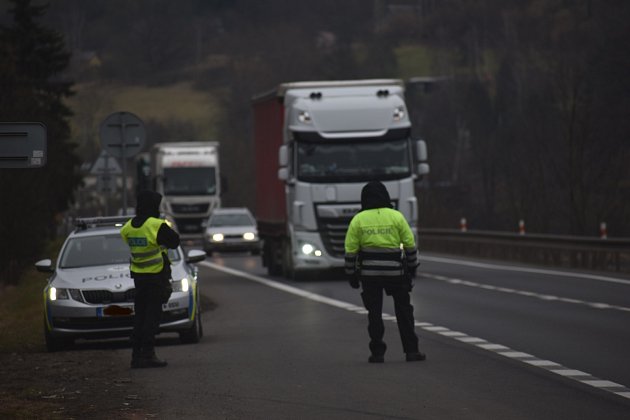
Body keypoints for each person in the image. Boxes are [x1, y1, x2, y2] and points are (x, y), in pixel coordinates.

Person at [344, 180, 426, 363]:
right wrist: (411, 268)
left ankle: (377, 352)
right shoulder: (396, 217)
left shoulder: (358, 219)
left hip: (370, 275)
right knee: (404, 311)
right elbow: (410, 245)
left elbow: (350, 251)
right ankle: (412, 351)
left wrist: (351, 275)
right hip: (396, 274)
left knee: (374, 313)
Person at [120, 190, 180, 368]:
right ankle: (148, 354)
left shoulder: (128, 227)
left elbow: (130, 241)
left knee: (140, 315)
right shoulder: (155, 225)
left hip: (139, 278)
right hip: (156, 277)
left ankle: (136, 355)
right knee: (152, 317)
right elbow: (175, 241)